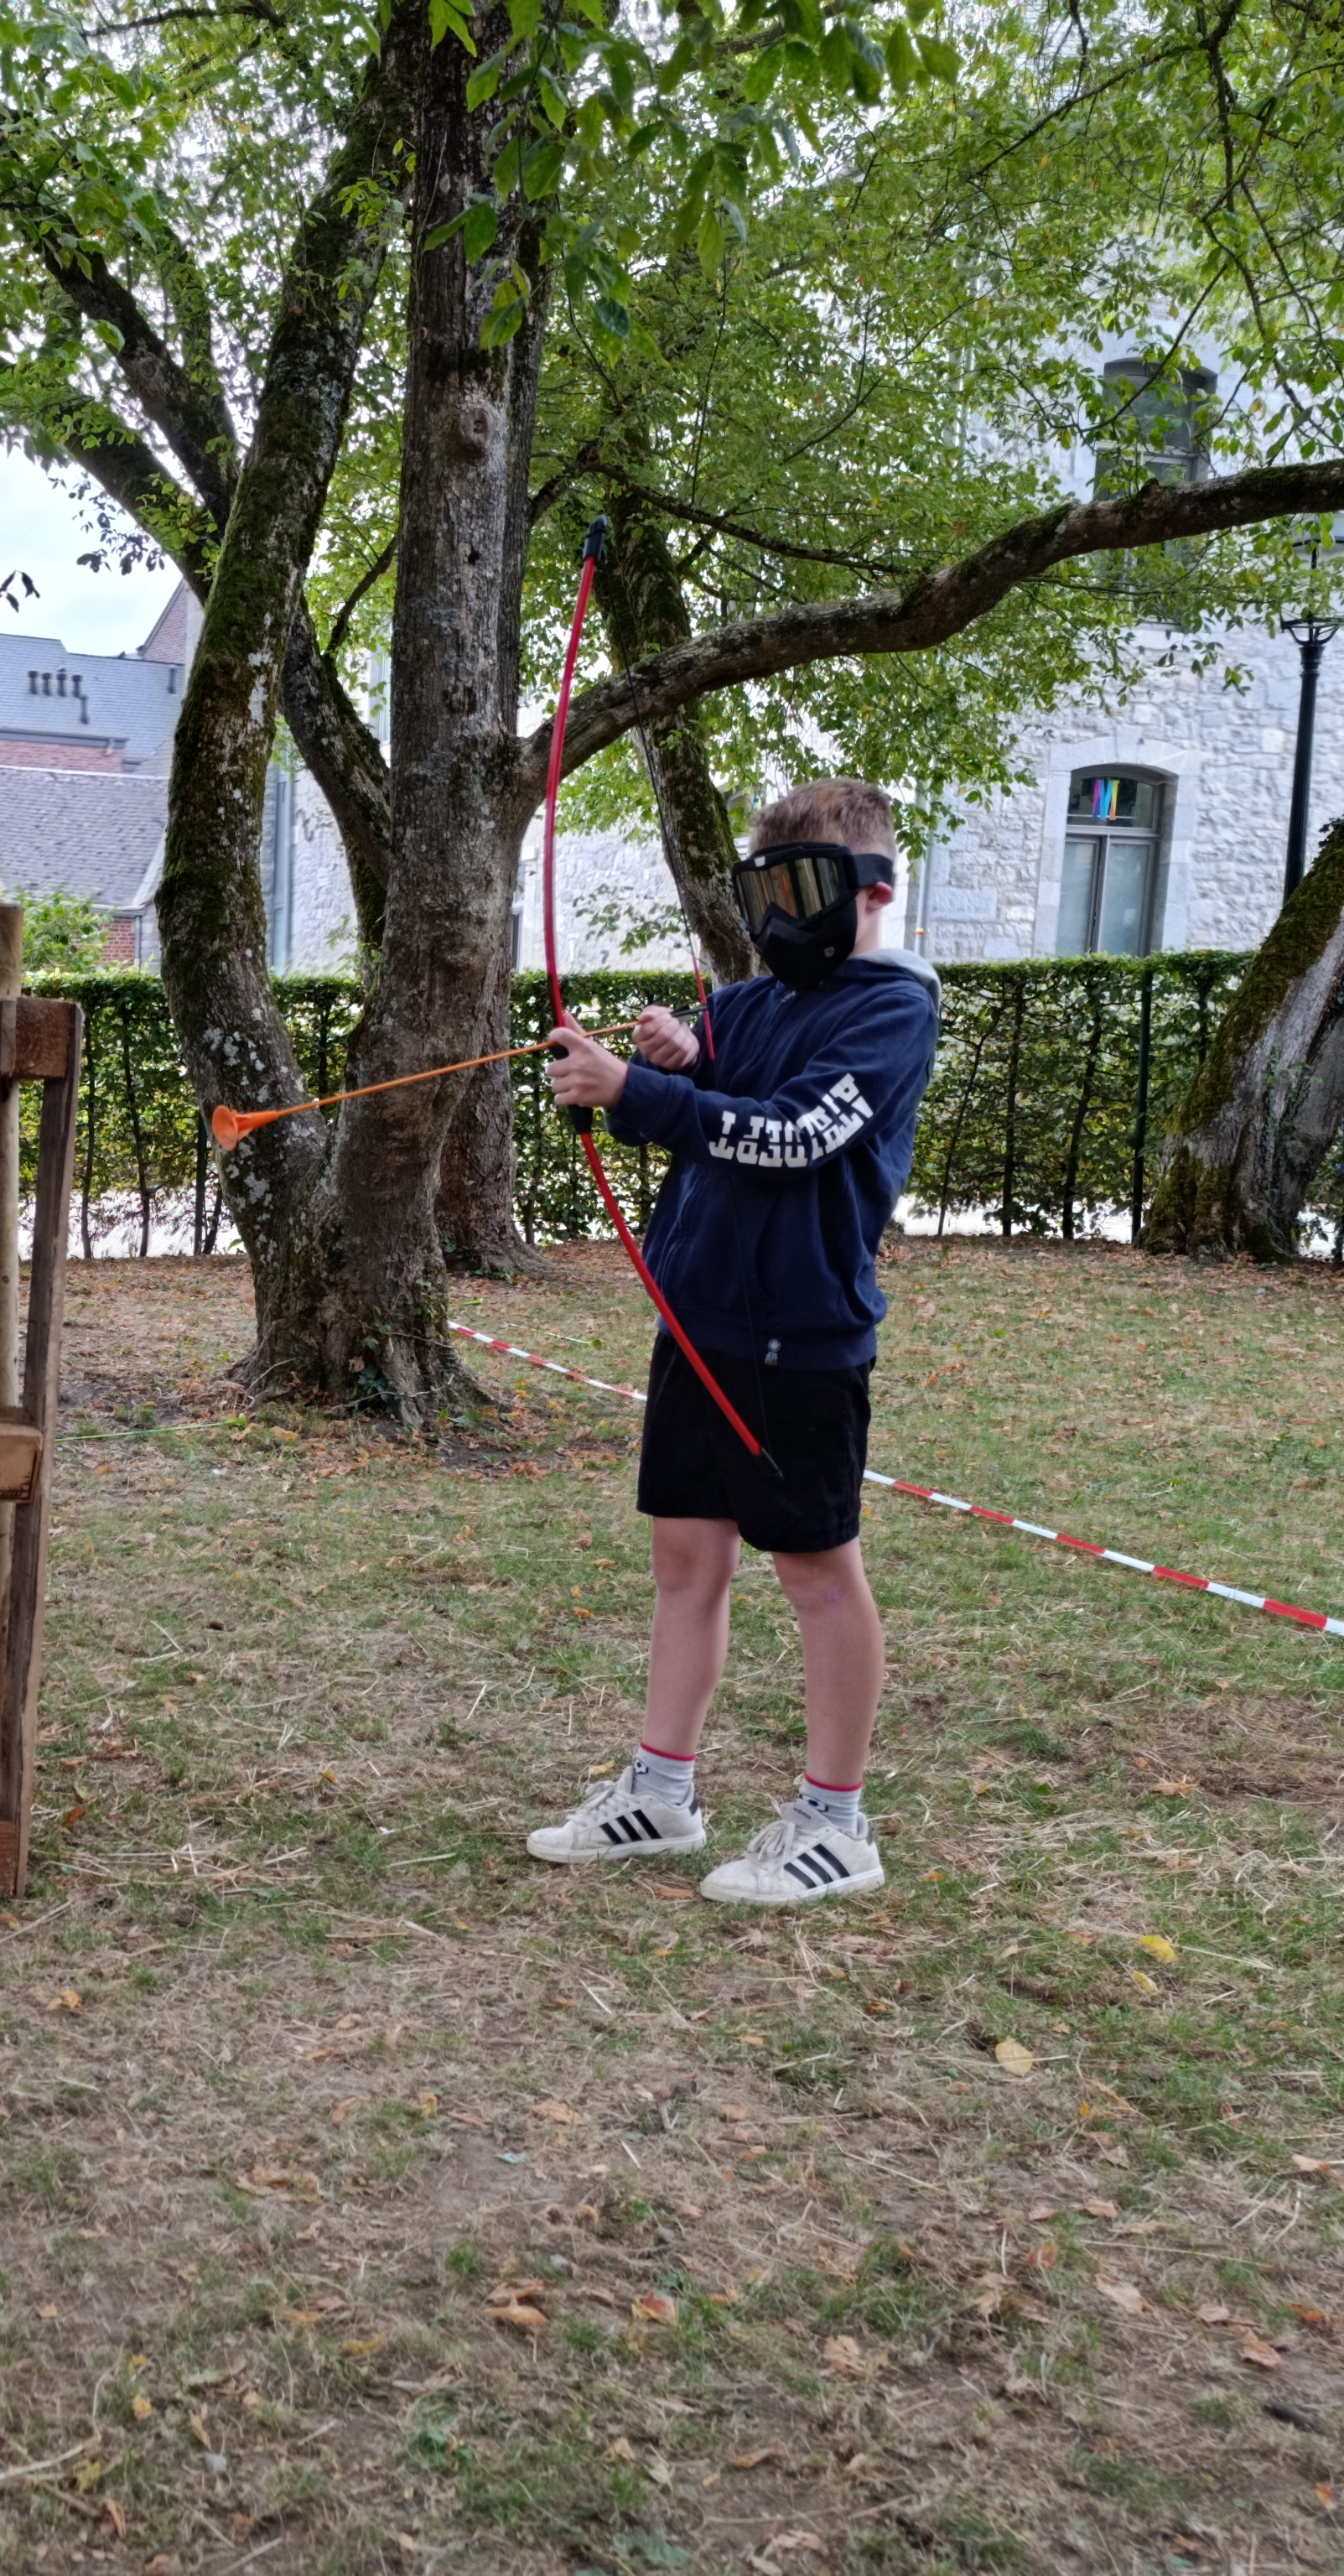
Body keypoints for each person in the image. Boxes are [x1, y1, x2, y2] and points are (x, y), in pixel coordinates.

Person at [526, 777, 940, 1905]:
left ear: (871, 892)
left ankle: (836, 1823)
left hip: (797, 1343)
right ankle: (661, 1792)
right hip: (700, 1327)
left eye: (805, 888)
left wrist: (642, 1095)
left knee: (815, 1571)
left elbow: (798, 1134)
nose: (780, 914)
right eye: (765, 889)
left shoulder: (891, 1011)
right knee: (685, 1560)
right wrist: (672, 1060)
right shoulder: (752, 1004)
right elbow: (726, 1086)